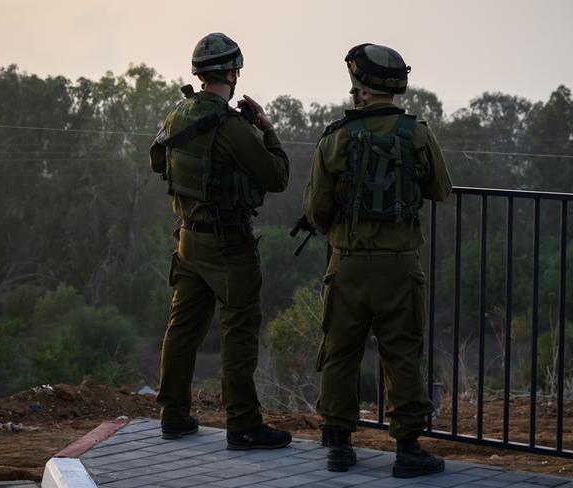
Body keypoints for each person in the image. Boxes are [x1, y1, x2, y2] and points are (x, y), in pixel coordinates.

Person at [303, 43, 452, 477]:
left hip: (347, 265)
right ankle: (407, 449)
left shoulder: (336, 138)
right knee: (402, 353)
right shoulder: (418, 134)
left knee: (340, 352)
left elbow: (316, 212)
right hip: (399, 265)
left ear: (361, 89)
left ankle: (339, 446)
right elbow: (441, 189)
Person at [149, 32, 292, 449]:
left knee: (182, 330)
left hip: (188, 242)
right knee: (239, 331)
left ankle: (173, 416)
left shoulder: (177, 115)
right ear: (232, 72)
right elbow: (277, 177)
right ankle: (243, 424)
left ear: (199, 72)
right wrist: (267, 130)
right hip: (229, 248)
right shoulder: (232, 126)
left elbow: (158, 158)